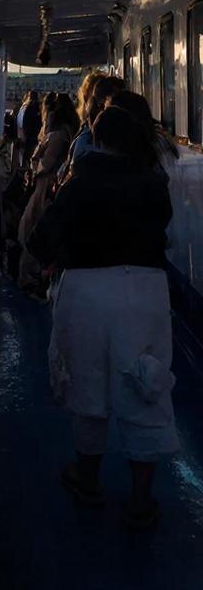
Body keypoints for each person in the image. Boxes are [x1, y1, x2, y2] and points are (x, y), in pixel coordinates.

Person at [27, 106, 177, 527]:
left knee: (88, 383)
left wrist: (48, 257)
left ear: (98, 137)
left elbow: (42, 239)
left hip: (89, 290)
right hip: (146, 290)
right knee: (146, 383)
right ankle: (142, 497)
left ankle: (87, 480)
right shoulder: (153, 182)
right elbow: (162, 228)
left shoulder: (81, 183)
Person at [17, 93, 76, 293]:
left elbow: (45, 164)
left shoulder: (56, 136)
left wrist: (33, 163)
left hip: (46, 189)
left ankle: (32, 278)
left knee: (29, 229)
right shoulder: (70, 132)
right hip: (55, 187)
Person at [16, 89, 41, 169]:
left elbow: (20, 123)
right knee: (31, 158)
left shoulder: (23, 108)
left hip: (24, 136)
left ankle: (24, 173)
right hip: (32, 138)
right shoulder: (36, 108)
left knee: (24, 159)